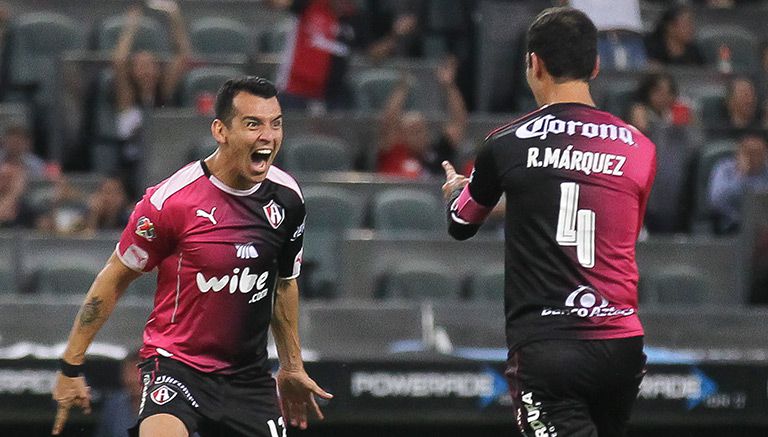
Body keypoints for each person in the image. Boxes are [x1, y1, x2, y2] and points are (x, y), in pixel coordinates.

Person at [51, 76, 332, 437]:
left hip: (247, 378)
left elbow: (283, 285)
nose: (268, 135)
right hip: (175, 366)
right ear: (221, 130)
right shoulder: (171, 201)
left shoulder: (287, 198)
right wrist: (70, 365)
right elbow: (114, 277)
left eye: (275, 124)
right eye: (253, 124)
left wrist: (292, 366)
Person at [441, 8, 655, 436]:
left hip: (549, 345)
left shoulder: (505, 143)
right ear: (595, 66)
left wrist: (455, 192)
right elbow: (619, 226)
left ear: (534, 64)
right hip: (622, 344)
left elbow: (461, 222)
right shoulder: (639, 147)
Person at [268, 0, 417, 111]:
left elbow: (373, 55)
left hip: (332, 96)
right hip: (294, 91)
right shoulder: (310, 4)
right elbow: (275, 3)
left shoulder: (355, 18)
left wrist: (396, 34)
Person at [111, 0, 191, 193]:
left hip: (163, 165)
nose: (147, 70)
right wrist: (132, 23)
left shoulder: (162, 95)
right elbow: (119, 61)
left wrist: (173, 15)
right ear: (133, 72)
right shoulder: (127, 99)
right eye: (141, 65)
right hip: (131, 169)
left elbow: (183, 57)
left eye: (150, 64)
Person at [377, 56, 468, 179]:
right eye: (412, 131)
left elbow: (459, 121)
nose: (418, 136)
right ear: (401, 134)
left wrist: (449, 86)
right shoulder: (393, 152)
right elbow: (388, 122)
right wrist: (402, 88)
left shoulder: (439, 152)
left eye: (420, 130)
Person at [709, 132, 768, 234]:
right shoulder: (724, 168)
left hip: (763, 228)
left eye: (758, 153)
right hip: (732, 225)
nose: (753, 158)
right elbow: (716, 200)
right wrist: (741, 176)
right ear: (738, 154)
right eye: (749, 153)